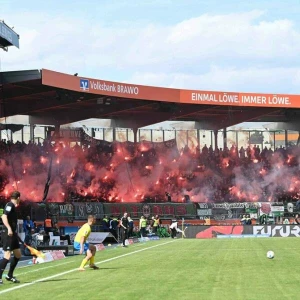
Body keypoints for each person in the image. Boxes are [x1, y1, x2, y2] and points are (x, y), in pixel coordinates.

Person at [0, 191, 22, 284]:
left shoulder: (12, 206)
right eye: (19, 198)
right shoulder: (10, 204)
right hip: (8, 234)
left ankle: (9, 275)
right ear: (18, 198)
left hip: (12, 234)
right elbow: (4, 216)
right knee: (7, 255)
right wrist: (9, 228)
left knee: (18, 255)